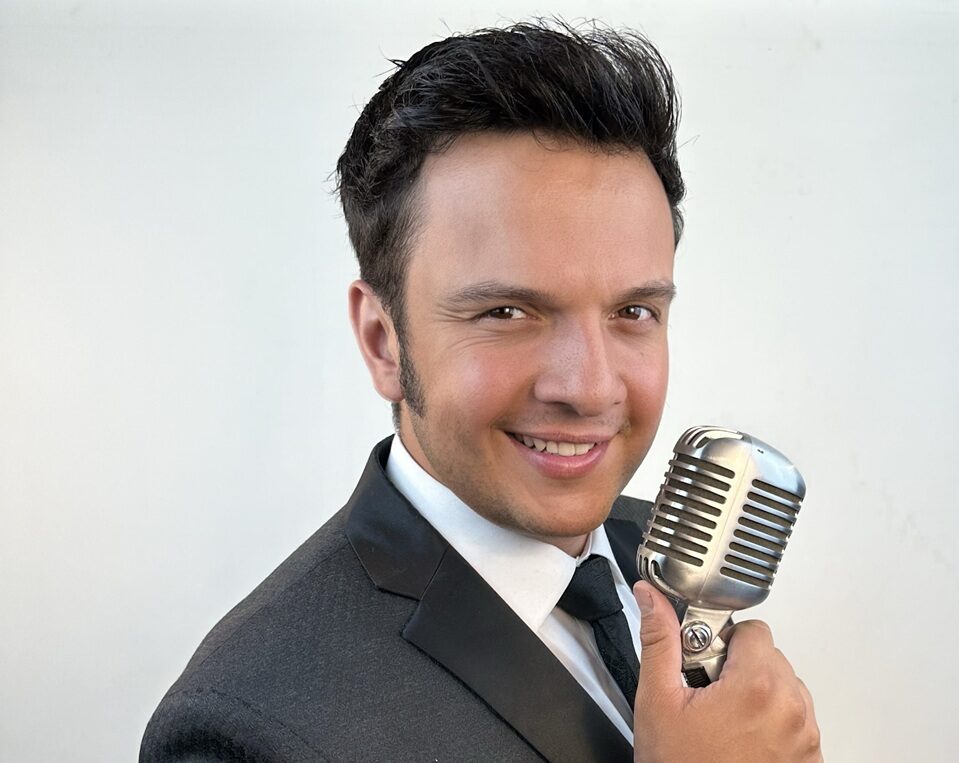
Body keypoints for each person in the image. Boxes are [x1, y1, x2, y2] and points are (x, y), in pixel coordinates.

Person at [142, 20, 822, 762]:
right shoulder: (247, 728)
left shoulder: (663, 557)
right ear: (382, 340)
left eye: (633, 311)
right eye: (507, 312)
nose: (589, 387)